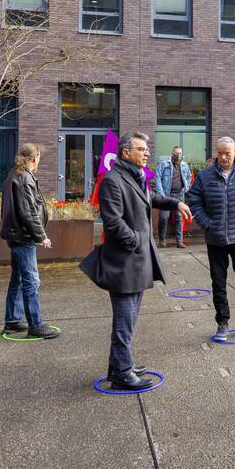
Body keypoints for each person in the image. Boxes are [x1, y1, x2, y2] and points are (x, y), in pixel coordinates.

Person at [80, 132, 191, 389]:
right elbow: (113, 222)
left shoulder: (135, 176)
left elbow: (150, 199)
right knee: (124, 320)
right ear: (125, 153)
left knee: (128, 319)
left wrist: (175, 204)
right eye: (141, 149)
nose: (147, 153)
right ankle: (122, 374)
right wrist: (137, 241)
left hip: (136, 262)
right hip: (124, 263)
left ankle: (119, 363)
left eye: (147, 149)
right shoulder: (112, 181)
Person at [188, 137, 235, 342]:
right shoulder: (204, 176)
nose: (223, 157)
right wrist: (207, 223)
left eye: (227, 153)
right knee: (219, 283)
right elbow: (194, 201)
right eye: (220, 153)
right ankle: (222, 323)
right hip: (216, 239)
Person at [0, 143, 59, 339]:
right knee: (31, 280)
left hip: (16, 235)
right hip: (23, 237)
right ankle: (35, 325)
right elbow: (28, 212)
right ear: (35, 159)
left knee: (17, 278)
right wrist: (41, 236)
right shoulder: (25, 178)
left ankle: (13, 321)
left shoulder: (15, 175)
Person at [153, 146, 192, 248]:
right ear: (172, 154)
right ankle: (162, 240)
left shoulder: (184, 165)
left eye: (180, 153)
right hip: (166, 195)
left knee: (179, 218)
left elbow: (189, 176)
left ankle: (179, 242)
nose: (178, 155)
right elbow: (157, 176)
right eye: (176, 153)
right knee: (163, 218)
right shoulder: (164, 164)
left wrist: (185, 188)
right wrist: (161, 193)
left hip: (179, 195)